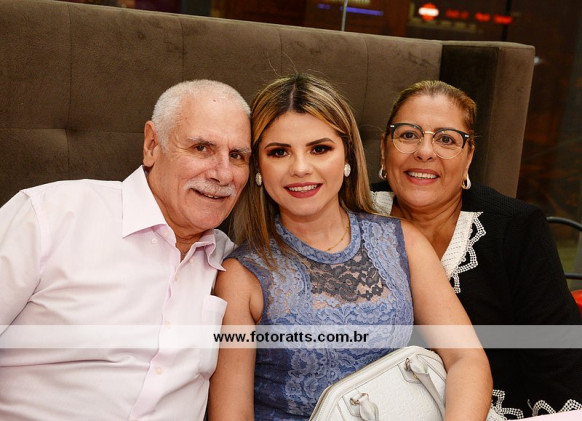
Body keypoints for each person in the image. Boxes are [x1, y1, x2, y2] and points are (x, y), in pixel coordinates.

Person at [208, 73, 492, 421]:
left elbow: (466, 358)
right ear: (258, 168)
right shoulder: (243, 276)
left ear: (347, 157)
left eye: (320, 149)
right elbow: (232, 414)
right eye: (279, 152)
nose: (301, 168)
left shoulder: (401, 241)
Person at [0, 79, 251, 420]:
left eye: (237, 156)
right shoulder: (51, 215)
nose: (223, 174)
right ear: (152, 145)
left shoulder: (234, 267)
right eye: (201, 148)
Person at [372, 79, 582, 418]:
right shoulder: (348, 216)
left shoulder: (515, 228)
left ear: (469, 156)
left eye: (446, 139)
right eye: (408, 134)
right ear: (385, 148)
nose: (425, 151)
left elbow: (558, 357)